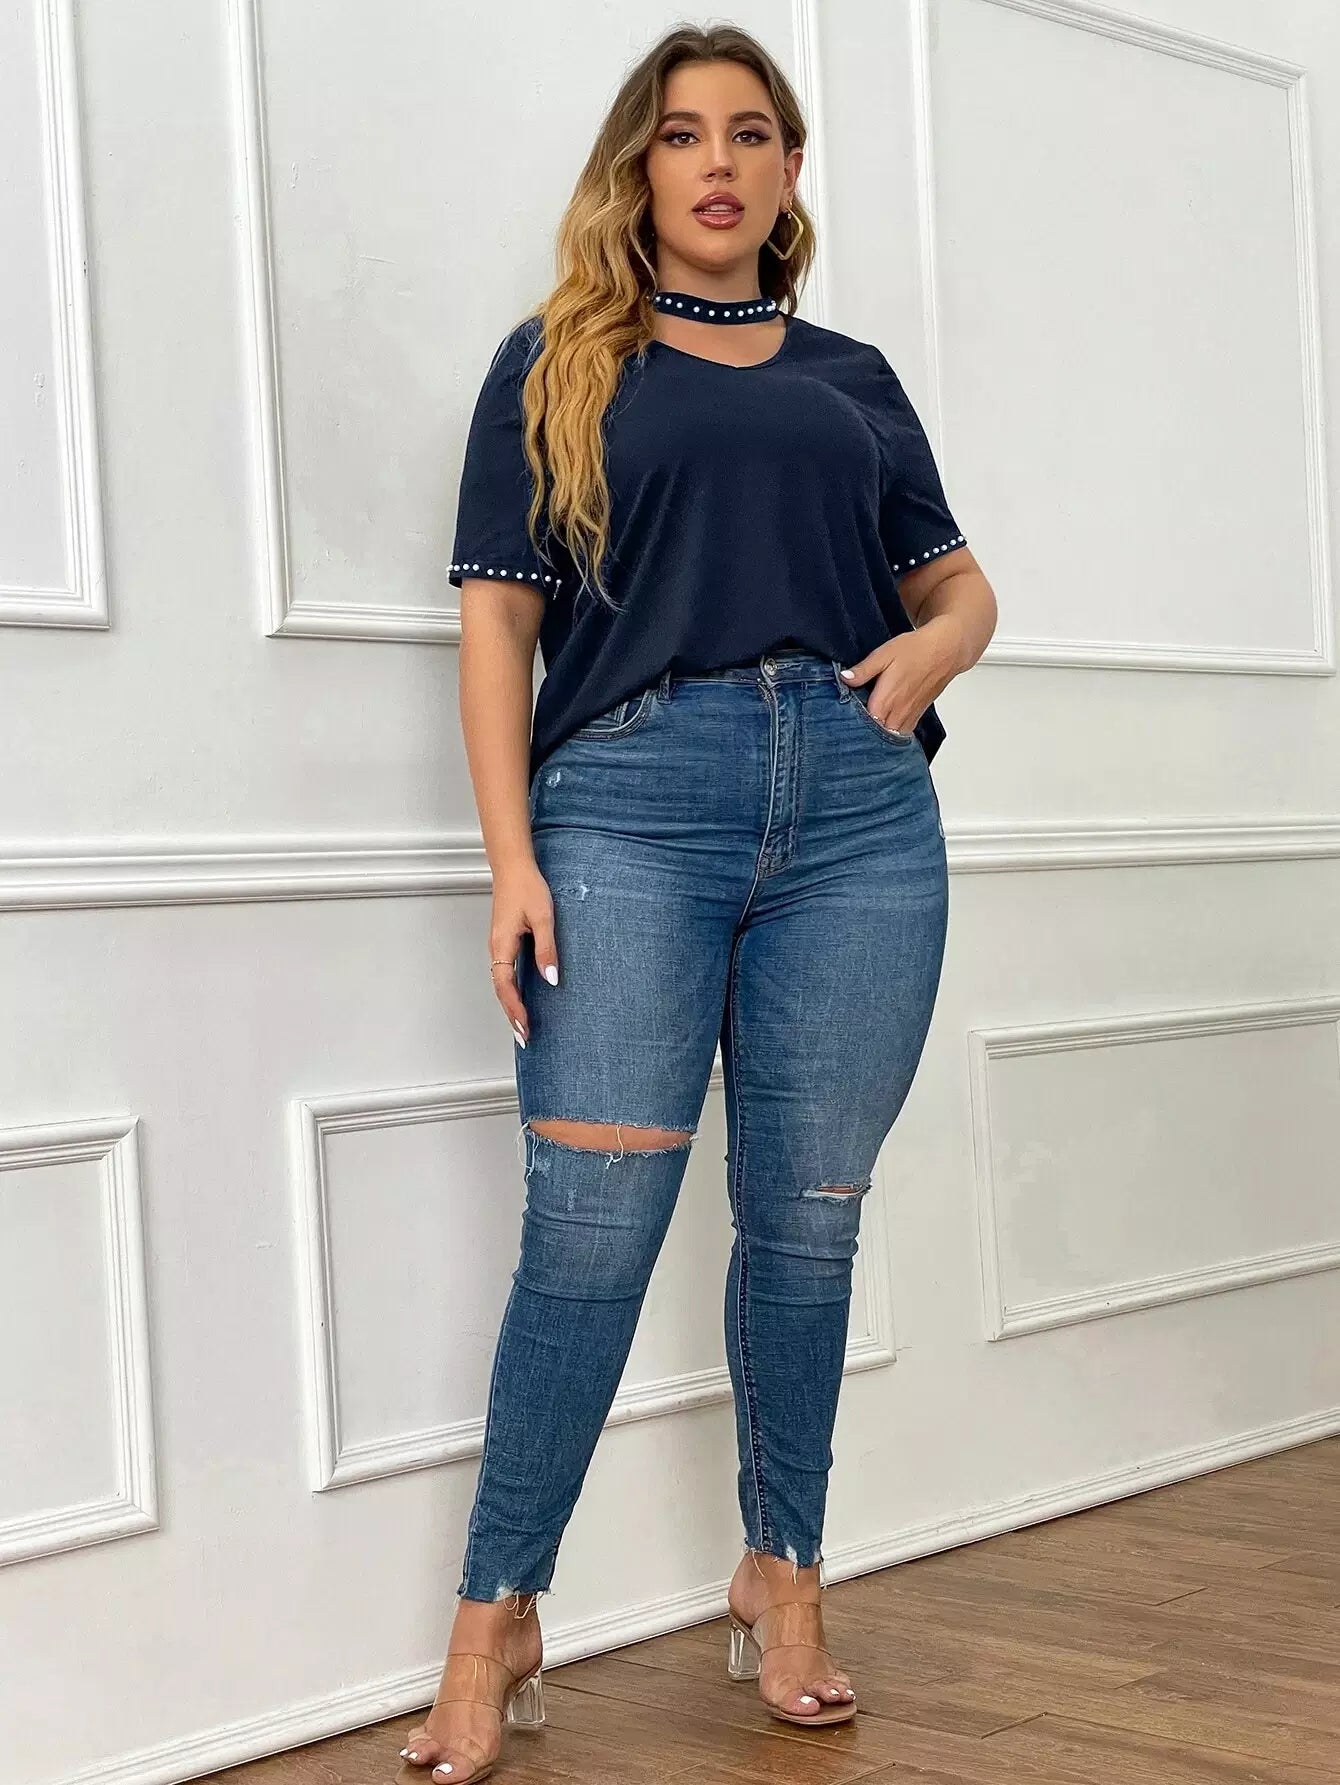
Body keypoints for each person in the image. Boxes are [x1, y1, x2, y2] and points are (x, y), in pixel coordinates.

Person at [397, 22, 997, 1785]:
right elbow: (499, 625)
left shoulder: (854, 376)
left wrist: (936, 653)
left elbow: (960, 586)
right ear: (638, 168)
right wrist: (512, 858)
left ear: (791, 170)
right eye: (681, 135)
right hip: (629, 807)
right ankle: (496, 1619)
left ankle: (782, 1577)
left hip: (860, 816)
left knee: (807, 1228)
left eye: (750, 133)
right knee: (590, 1229)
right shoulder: (555, 362)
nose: (717, 162)